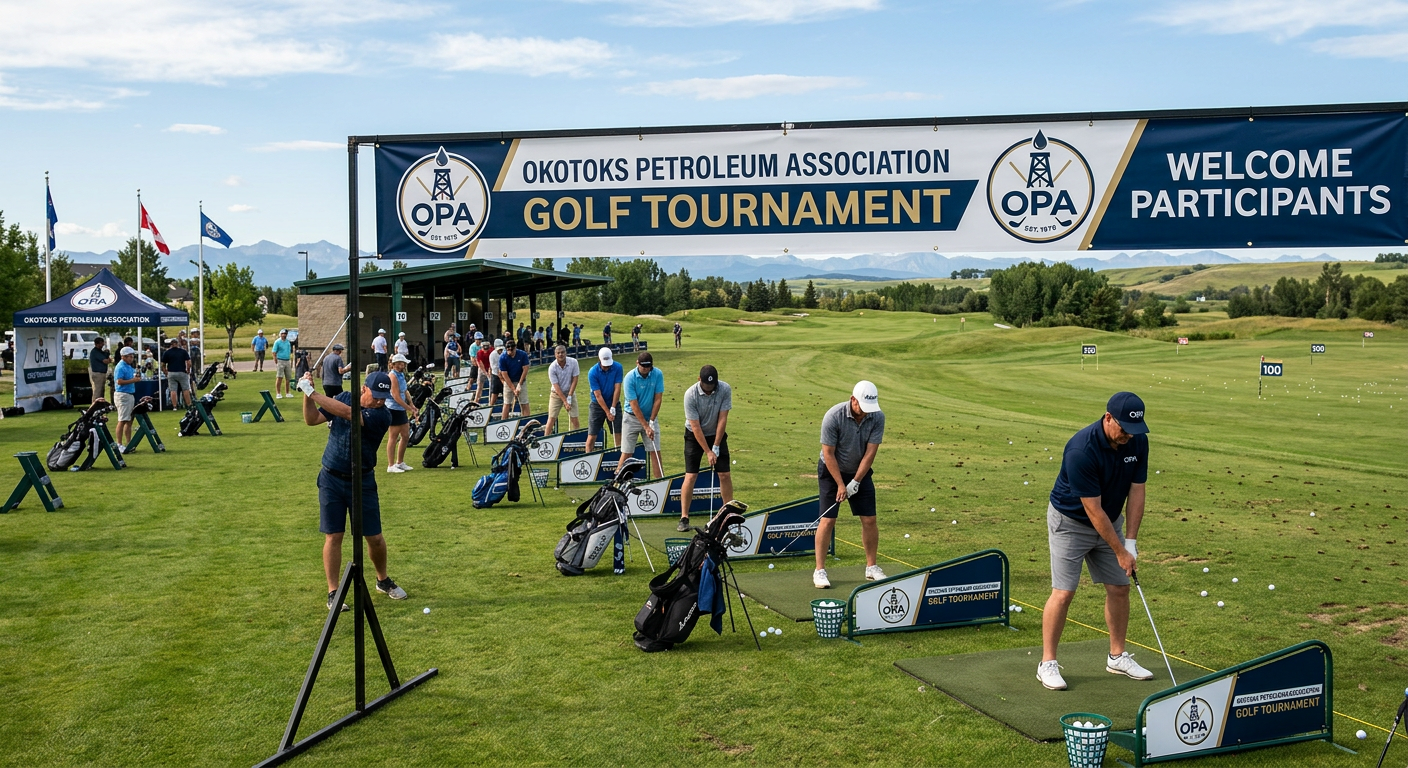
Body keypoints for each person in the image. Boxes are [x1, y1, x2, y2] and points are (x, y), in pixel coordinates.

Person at [1037, 392, 1154, 691]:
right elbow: (1092, 508)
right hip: (1071, 522)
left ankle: (1117, 656)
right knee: (1063, 593)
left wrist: (1130, 541)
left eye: (1134, 429)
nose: (1129, 435)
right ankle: (1047, 663)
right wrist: (1119, 551)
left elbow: (1137, 490)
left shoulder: (1137, 440)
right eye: (1124, 428)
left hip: (1110, 520)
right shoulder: (1081, 449)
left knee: (1119, 588)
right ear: (1108, 418)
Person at [300, 369, 408, 610]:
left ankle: (382, 579)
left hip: (363, 481)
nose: (379, 401)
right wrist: (307, 395)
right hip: (331, 478)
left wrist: (314, 392)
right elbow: (312, 420)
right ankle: (333, 592)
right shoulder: (343, 398)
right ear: (363, 389)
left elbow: (349, 414)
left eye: (383, 396)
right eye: (376, 395)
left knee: (375, 538)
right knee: (333, 536)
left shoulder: (383, 416)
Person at [814, 381, 886, 589]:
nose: (865, 413)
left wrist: (856, 481)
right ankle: (819, 570)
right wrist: (840, 484)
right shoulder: (833, 416)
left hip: (859, 472)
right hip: (831, 471)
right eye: (862, 407)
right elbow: (828, 454)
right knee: (828, 520)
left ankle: (871, 567)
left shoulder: (877, 416)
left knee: (870, 519)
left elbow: (870, 452)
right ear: (853, 400)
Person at [678, 365, 732, 531]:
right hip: (694, 436)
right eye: (706, 388)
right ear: (699, 380)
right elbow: (695, 427)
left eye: (712, 388)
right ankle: (684, 518)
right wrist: (708, 452)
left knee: (724, 474)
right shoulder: (690, 395)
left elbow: (723, 418)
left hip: (716, 432)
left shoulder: (724, 388)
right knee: (691, 475)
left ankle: (728, 514)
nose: (709, 391)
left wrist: (716, 445)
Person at [621, 351, 664, 478]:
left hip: (650, 417)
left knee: (655, 452)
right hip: (631, 418)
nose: (646, 369)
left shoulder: (657, 374)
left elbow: (658, 399)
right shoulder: (629, 378)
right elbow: (634, 405)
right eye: (643, 366)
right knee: (627, 453)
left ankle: (660, 482)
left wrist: (651, 421)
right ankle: (617, 482)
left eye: (648, 366)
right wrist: (646, 426)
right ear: (637, 363)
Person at [384, 354, 418, 473]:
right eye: (400, 363)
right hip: (393, 408)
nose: (402, 365)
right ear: (394, 364)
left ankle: (400, 462)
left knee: (405, 435)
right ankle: (391, 465)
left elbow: (405, 391)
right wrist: (409, 408)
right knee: (393, 437)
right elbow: (396, 396)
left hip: (401, 409)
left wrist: (412, 404)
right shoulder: (392, 376)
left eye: (403, 363)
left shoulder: (401, 375)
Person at [585, 347, 623, 452]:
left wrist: (613, 407)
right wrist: (607, 412)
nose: (607, 367)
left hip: (613, 402)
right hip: (597, 405)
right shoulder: (592, 372)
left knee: (618, 433)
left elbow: (617, 388)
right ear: (599, 360)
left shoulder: (618, 367)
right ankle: (589, 458)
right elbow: (598, 395)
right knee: (592, 436)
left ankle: (619, 460)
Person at [545, 344, 580, 434]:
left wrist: (569, 396)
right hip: (556, 394)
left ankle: (575, 439)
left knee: (574, 418)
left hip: (570, 392)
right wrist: (565, 401)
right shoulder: (552, 367)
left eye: (562, 352)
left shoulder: (573, 362)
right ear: (555, 354)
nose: (560, 355)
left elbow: (575, 379)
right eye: (558, 353)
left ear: (566, 353)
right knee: (551, 418)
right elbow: (556, 386)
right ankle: (545, 440)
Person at [498, 338, 531, 420]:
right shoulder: (502, 357)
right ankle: (504, 422)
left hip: (521, 380)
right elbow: (504, 375)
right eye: (508, 350)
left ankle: (526, 422)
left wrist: (519, 385)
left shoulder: (522, 354)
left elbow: (525, 369)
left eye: (511, 350)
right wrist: (513, 389)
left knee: (524, 402)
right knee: (507, 403)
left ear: (515, 348)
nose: (510, 352)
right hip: (508, 381)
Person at [113, 347, 139, 450]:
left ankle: (129, 443)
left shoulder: (128, 366)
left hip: (129, 394)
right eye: (130, 356)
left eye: (132, 356)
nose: (132, 358)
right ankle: (119, 443)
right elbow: (119, 381)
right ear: (123, 356)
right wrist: (133, 380)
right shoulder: (120, 367)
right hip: (123, 395)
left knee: (129, 420)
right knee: (122, 420)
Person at [161, 338, 193, 409]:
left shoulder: (167, 352)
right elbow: (189, 362)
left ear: (171, 344)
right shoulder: (183, 352)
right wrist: (188, 370)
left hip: (171, 372)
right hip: (182, 372)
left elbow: (163, 364)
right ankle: (189, 404)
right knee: (185, 389)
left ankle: (174, 406)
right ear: (178, 343)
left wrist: (165, 372)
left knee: (173, 390)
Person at [478, 337, 500, 410]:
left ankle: (490, 403)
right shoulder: (479, 353)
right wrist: (486, 373)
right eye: (484, 348)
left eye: (487, 348)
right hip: (482, 369)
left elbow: (493, 361)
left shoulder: (491, 351)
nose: (485, 350)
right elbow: (480, 364)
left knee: (491, 385)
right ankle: (476, 401)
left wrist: (490, 370)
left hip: (490, 368)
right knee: (480, 385)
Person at [273, 329, 294, 398]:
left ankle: (287, 392)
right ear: (280, 334)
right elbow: (274, 352)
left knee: (288, 378)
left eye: (285, 334)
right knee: (279, 377)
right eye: (283, 333)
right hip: (280, 360)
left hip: (287, 360)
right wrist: (275, 359)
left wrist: (290, 360)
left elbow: (289, 351)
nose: (284, 335)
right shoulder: (277, 342)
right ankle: (278, 393)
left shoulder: (288, 342)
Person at [88, 337, 111, 403]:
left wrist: (107, 353)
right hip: (98, 374)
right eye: (101, 343)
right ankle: (94, 406)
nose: (102, 345)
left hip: (102, 373)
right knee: (97, 392)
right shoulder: (95, 352)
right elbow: (105, 361)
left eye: (103, 343)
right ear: (96, 344)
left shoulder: (100, 351)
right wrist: (109, 360)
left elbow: (107, 357)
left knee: (101, 391)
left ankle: (100, 406)